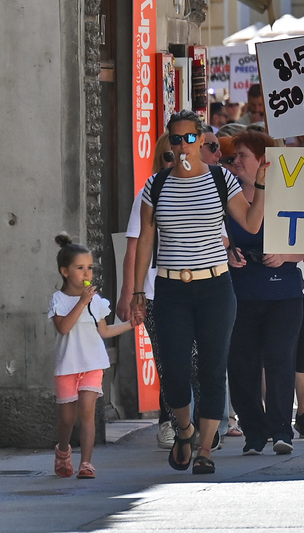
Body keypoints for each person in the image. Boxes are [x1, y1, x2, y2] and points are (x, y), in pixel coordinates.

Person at [131, 110, 268, 475]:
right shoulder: (156, 185)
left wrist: (265, 187)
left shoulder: (222, 179)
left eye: (190, 138)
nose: (182, 146)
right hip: (171, 286)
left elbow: (251, 222)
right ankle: (185, 430)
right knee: (174, 370)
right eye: (175, 139)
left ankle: (205, 449)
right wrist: (136, 290)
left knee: (211, 368)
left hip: (216, 286)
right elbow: (146, 238)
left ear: (202, 140)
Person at [222, 130, 304, 455]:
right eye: (232, 158)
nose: (236, 162)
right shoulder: (225, 196)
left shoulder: (287, 195)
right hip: (240, 293)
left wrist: (287, 255)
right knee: (241, 364)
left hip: (283, 294)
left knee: (279, 361)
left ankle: (282, 431)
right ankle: (254, 433)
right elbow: (214, 235)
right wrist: (227, 253)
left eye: (242, 156)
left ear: (263, 160)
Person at [116, 132, 183, 450]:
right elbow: (133, 247)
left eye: (181, 156)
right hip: (157, 291)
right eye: (168, 157)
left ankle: (189, 420)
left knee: (194, 359)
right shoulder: (149, 193)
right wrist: (130, 293)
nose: (175, 162)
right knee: (168, 358)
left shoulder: (205, 191)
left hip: (198, 287)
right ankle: (170, 422)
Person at [50, 234, 133, 479]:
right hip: (68, 365)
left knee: (87, 412)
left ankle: (86, 463)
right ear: (65, 272)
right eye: (80, 268)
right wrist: (81, 303)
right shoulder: (59, 300)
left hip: (92, 363)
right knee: (67, 418)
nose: (87, 274)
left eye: (89, 268)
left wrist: (131, 324)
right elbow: (63, 328)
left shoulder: (95, 301)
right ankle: (63, 450)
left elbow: (104, 331)